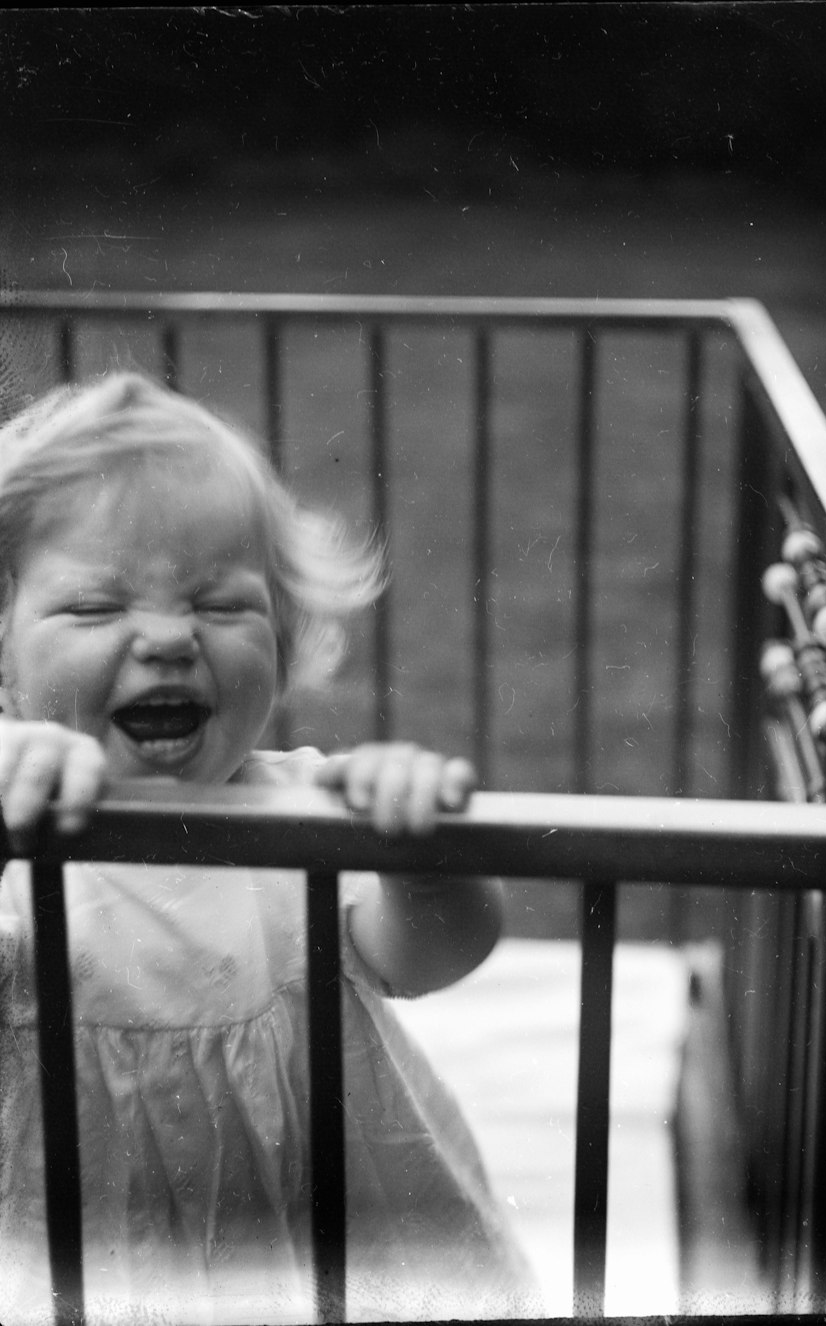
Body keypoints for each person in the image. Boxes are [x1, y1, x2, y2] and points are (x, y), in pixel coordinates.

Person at [0, 372, 538, 1325]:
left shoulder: (304, 816)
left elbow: (433, 955)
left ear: (285, 645)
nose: (169, 638)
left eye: (219, 606)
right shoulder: (11, 833)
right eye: (92, 609)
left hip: (314, 1241)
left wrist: (421, 853)